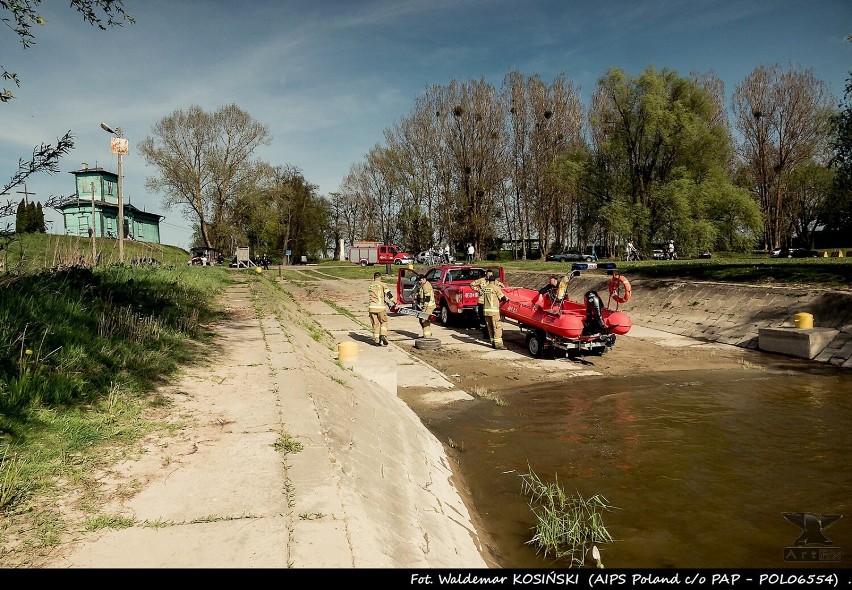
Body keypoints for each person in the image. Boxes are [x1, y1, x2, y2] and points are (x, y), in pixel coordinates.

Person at [471, 271, 509, 349]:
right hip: (494, 312)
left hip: (486, 311)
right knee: (497, 327)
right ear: (494, 280)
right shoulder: (496, 288)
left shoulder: (485, 288)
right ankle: (498, 344)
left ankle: (493, 343)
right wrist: (507, 299)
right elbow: (503, 297)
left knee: (490, 327)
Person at [470, 269, 503, 339]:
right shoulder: (481, 280)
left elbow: (501, 286)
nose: (489, 276)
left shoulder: (494, 282)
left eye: (491, 275)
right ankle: (485, 334)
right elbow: (472, 284)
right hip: (482, 302)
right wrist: (478, 290)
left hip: (490, 303)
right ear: (486, 274)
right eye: (488, 275)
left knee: (492, 320)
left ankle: (492, 334)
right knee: (483, 320)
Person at [368, 272, 393, 347]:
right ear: (380, 277)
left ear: (374, 277)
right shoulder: (382, 284)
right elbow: (389, 294)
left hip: (372, 308)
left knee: (375, 324)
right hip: (380, 308)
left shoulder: (370, 285)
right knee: (384, 322)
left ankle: (376, 341)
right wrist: (394, 302)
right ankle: (383, 335)